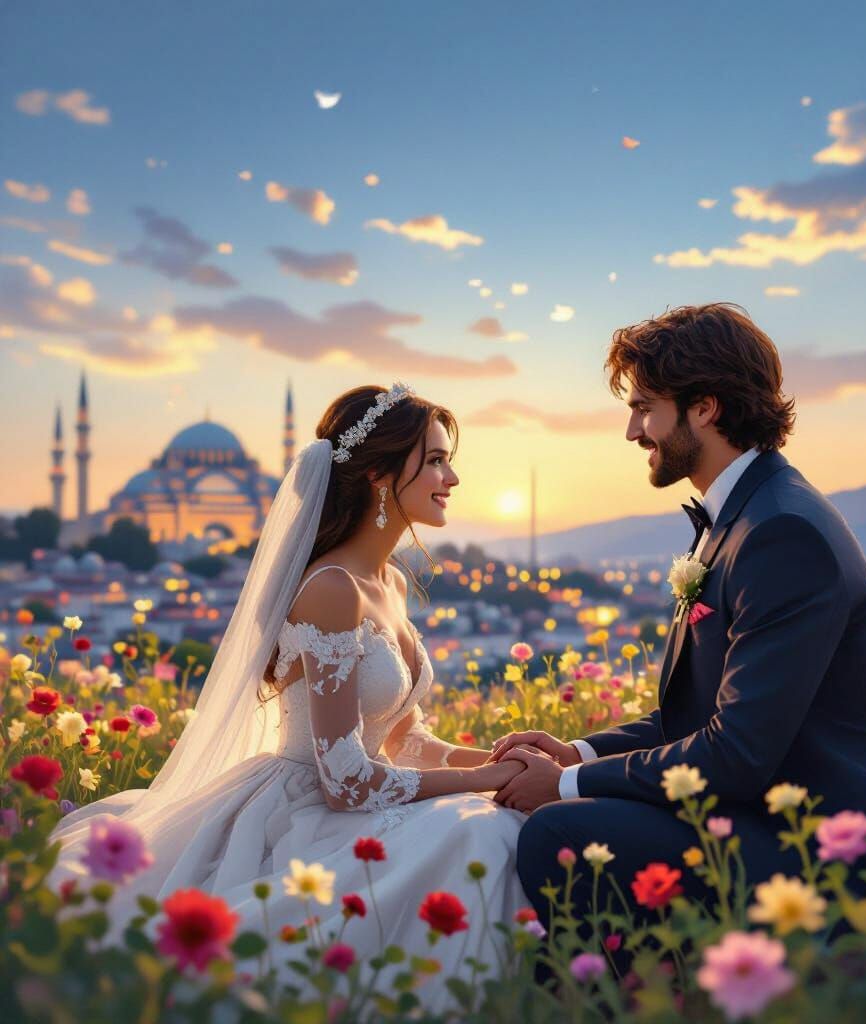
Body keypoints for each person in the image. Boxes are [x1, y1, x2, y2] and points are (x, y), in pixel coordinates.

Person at [47, 382, 530, 1009]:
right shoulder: (331, 589)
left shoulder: (389, 583)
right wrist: (492, 780)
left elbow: (405, 740)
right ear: (381, 476)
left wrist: (509, 764)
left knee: (490, 822)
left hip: (352, 794)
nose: (452, 476)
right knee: (476, 834)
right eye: (435, 459)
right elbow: (346, 780)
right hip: (310, 805)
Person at [488, 303, 866, 975]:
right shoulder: (742, 517)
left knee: (560, 831)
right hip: (759, 811)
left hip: (816, 850)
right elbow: (699, 714)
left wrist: (565, 785)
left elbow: (735, 752)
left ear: (705, 408)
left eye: (645, 408)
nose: (632, 430)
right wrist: (578, 751)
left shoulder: (779, 533)